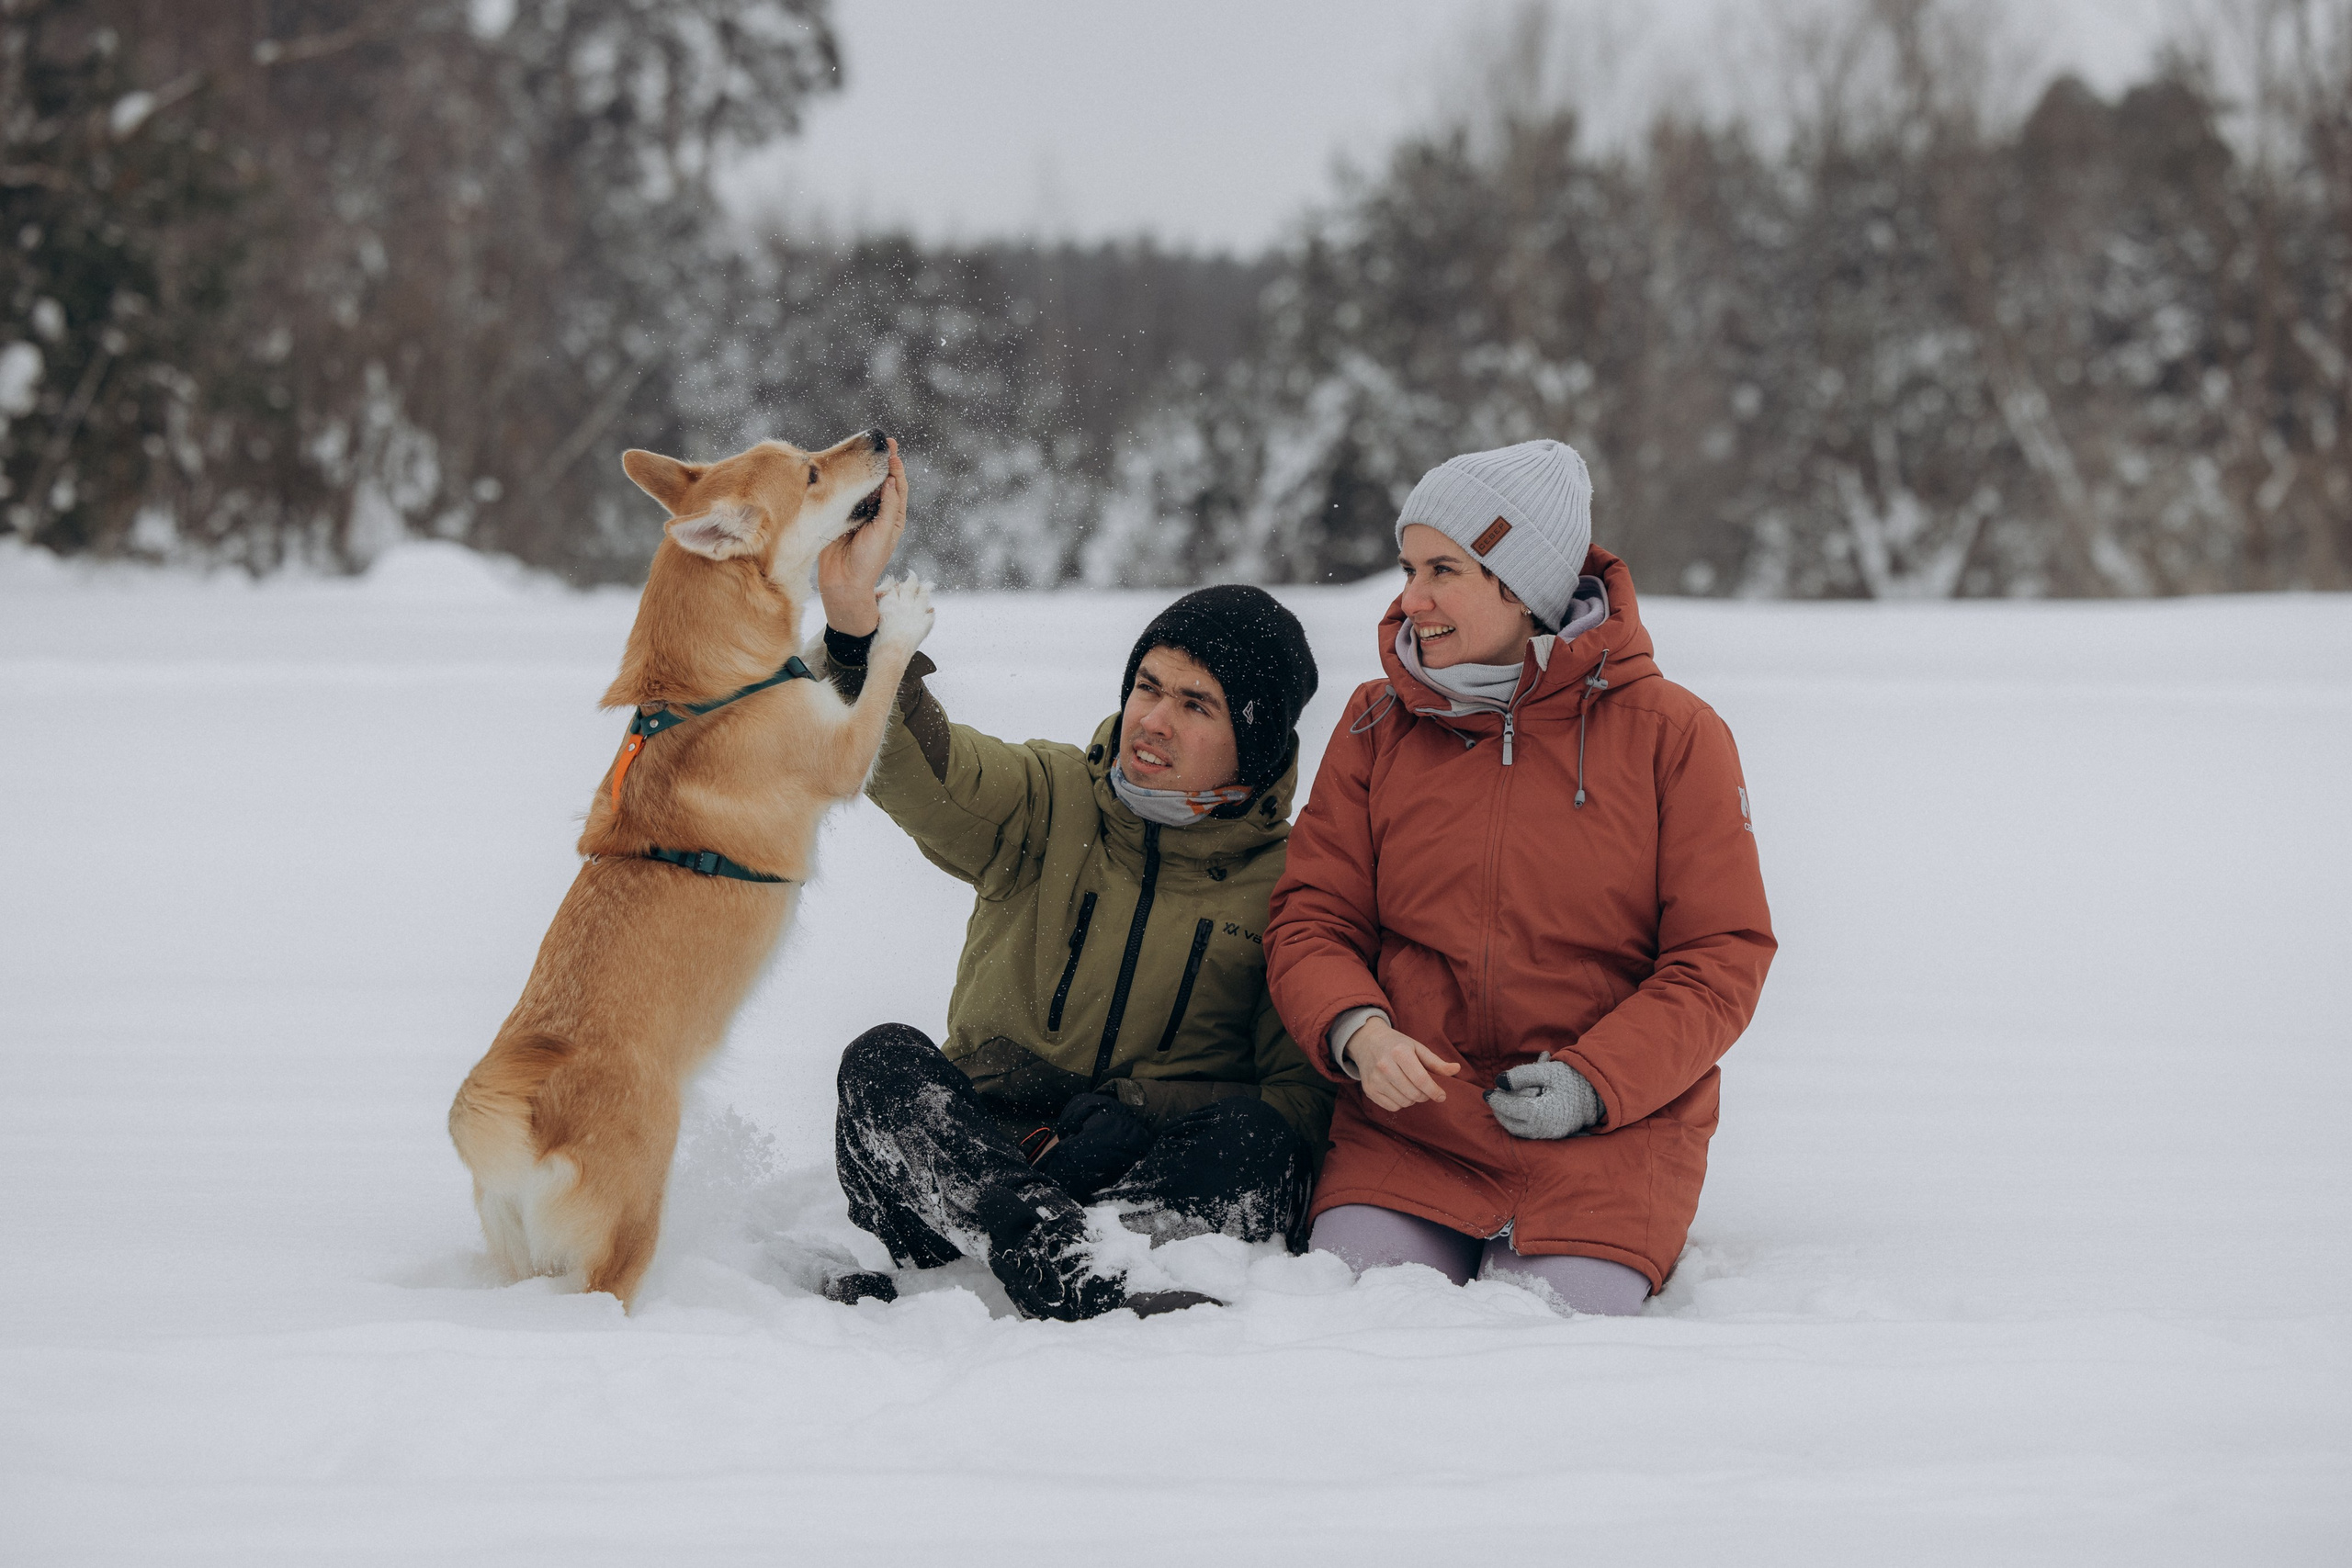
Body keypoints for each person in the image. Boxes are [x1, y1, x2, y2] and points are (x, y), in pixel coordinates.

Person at [816, 446, 1334, 1322]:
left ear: (1253, 740)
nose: (1152, 720)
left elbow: (1296, 1099)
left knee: (1259, 1143)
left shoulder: (1290, 884)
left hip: (1143, 1180)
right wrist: (854, 632)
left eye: (1195, 704)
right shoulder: (1049, 798)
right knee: (881, 1063)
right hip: (973, 1166)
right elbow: (920, 763)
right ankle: (1048, 1250)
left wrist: (1136, 1106)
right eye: (1147, 686)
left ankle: (1084, 1247)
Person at [1264, 438, 1775, 1316]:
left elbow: (1720, 955)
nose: (1409, 599)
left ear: (1522, 582)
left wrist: (1593, 1084)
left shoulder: (1675, 735)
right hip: (1412, 1127)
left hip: (1614, 1139)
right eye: (1406, 567)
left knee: (1545, 1352)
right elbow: (1313, 917)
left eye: (1442, 570)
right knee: (1354, 1326)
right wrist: (1360, 1031)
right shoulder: (1375, 723)